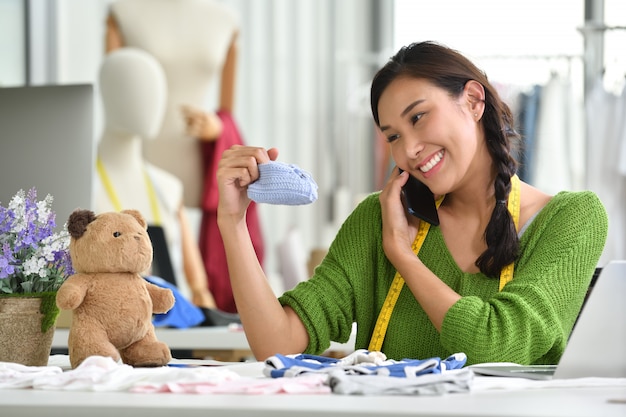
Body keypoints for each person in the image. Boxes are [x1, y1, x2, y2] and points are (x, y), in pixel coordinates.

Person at [215, 41, 608, 365]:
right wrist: (232, 223)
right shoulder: (379, 218)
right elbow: (276, 346)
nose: (410, 150)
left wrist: (404, 257)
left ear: (473, 100)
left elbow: (497, 345)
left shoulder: (570, 218)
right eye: (393, 137)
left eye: (418, 118)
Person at [105, 0, 265, 313]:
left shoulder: (225, 20)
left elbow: (226, 110)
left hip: (198, 158)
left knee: (196, 271)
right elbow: (114, 85)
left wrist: (217, 126)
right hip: (142, 156)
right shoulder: (124, 12)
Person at [95, 46, 217, 311]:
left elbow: (198, 286)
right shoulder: (82, 183)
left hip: (167, 324)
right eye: (135, 89)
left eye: (156, 91)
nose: (151, 102)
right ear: (109, 95)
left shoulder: (168, 187)